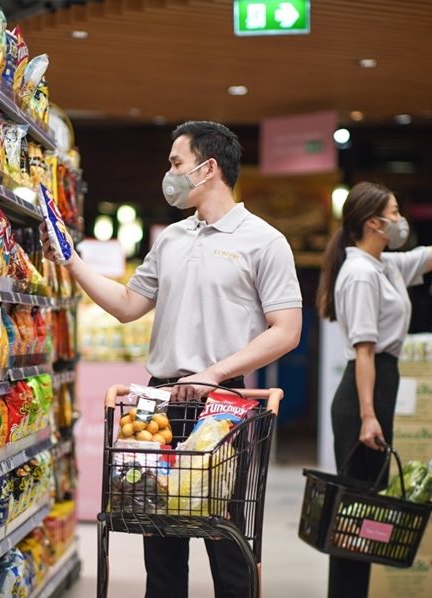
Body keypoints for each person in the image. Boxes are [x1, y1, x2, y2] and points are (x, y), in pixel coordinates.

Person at [41, 121, 303, 597]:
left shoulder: (264, 241)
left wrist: (213, 374)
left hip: (227, 404)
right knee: (158, 537)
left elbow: (286, 331)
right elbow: (127, 307)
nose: (170, 173)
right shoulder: (172, 239)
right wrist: (70, 260)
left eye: (177, 163)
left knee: (225, 539)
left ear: (209, 168)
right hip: (160, 400)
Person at [315, 165, 432, 598]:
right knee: (356, 511)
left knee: (363, 507)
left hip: (380, 384)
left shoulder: (385, 265)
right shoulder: (360, 274)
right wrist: (367, 416)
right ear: (374, 223)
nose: (401, 220)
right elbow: (365, 351)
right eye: (394, 212)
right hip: (366, 391)